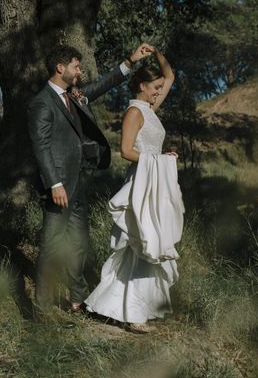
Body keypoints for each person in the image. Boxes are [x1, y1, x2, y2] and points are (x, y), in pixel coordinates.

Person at [27, 42, 153, 315]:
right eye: (75, 66)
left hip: (79, 182)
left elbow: (102, 85)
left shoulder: (74, 95)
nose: (79, 71)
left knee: (78, 243)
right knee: (51, 246)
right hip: (59, 187)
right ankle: (42, 309)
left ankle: (77, 299)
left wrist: (130, 61)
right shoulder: (41, 103)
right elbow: (41, 146)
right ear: (60, 68)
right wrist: (55, 184)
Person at [84, 46, 184, 333]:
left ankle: (129, 307)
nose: (158, 92)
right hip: (140, 182)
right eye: (154, 88)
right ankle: (133, 314)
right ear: (142, 86)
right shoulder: (134, 112)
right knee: (140, 243)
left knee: (149, 245)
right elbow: (126, 151)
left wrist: (159, 53)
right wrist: (161, 160)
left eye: (159, 89)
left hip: (154, 183)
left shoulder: (151, 108)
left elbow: (170, 76)